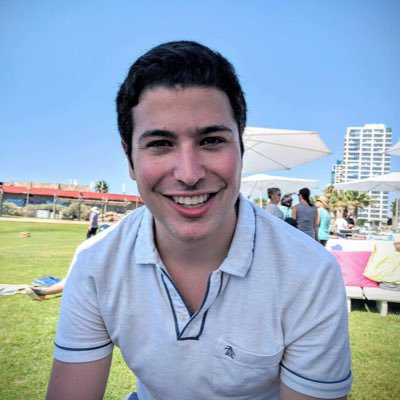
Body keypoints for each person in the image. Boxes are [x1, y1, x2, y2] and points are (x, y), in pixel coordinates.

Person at [47, 41, 352, 400]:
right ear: (129, 160)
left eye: (211, 140)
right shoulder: (96, 262)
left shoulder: (310, 273)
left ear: (241, 150)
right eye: (160, 144)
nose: (189, 174)